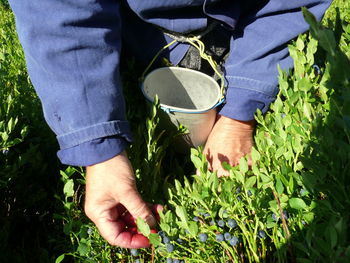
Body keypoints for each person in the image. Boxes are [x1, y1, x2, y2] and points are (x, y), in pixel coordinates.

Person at [8, 0, 331, 249]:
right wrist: (100, 150)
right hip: (142, 30)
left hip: (251, 24)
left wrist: (240, 113)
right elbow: (56, 12)